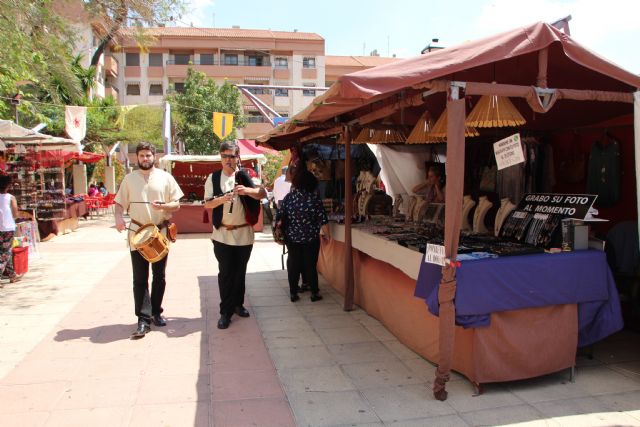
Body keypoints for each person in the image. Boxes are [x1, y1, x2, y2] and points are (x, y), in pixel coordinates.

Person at [114, 142, 184, 338]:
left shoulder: (166, 178)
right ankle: (143, 320)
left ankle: (156, 312)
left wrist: (165, 206)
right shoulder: (129, 179)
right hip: (137, 234)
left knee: (159, 276)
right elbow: (119, 204)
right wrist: (118, 218)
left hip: (159, 233)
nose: (145, 159)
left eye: (148, 155)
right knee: (139, 278)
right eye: (142, 155)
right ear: (137, 157)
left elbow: (177, 205)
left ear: (154, 157)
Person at [204, 140, 266, 330]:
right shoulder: (213, 178)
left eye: (232, 156)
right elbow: (207, 204)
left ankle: (238, 304)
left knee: (239, 273)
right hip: (222, 234)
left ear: (237, 156)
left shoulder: (247, 175)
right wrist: (222, 199)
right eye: (225, 156)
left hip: (244, 234)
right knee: (226, 273)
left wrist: (247, 190)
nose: (228, 160)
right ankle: (225, 311)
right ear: (220, 157)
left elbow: (262, 193)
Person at [278, 167, 329, 303]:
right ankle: (314, 293)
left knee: (293, 264)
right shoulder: (314, 199)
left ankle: (293, 293)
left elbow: (279, 216)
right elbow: (323, 220)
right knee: (310, 265)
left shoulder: (289, 198)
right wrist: (327, 236)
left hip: (292, 238)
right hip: (311, 238)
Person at [0, 175, 20, 286]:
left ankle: (12, 275)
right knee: (6, 252)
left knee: (3, 251)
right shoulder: (11, 198)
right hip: (8, 228)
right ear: (8, 186)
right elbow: (16, 214)